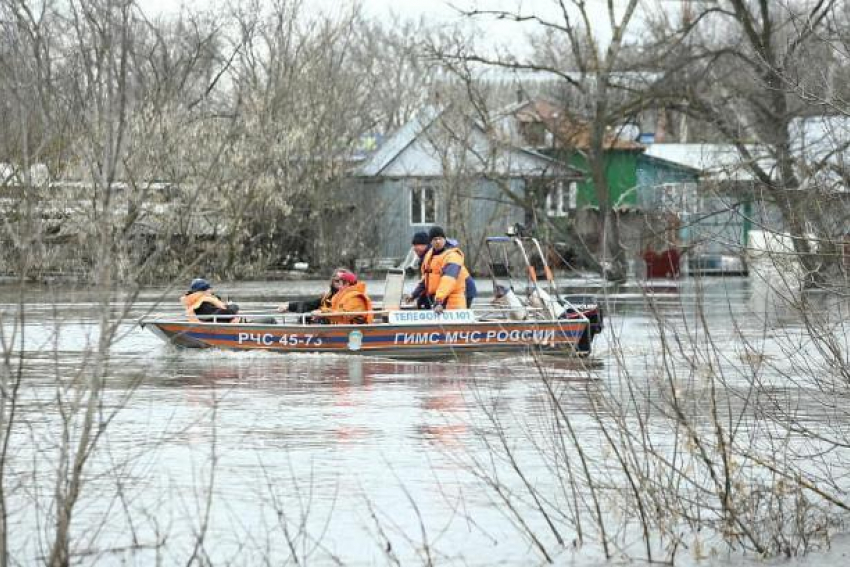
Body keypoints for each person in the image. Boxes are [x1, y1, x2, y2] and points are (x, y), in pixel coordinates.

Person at [407, 229, 477, 309]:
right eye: (435, 239)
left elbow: (448, 279)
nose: (437, 241)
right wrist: (414, 295)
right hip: (444, 292)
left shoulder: (451, 255)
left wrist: (438, 300)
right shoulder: (430, 255)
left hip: (463, 290)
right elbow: (427, 279)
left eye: (440, 239)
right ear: (431, 241)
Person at [277, 267, 352, 322]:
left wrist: (322, 314)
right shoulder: (327, 297)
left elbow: (346, 314)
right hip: (326, 328)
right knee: (304, 312)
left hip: (340, 329)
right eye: (336, 280)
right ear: (332, 281)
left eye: (343, 281)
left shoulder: (351, 297)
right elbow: (309, 304)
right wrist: (288, 306)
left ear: (348, 282)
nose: (340, 283)